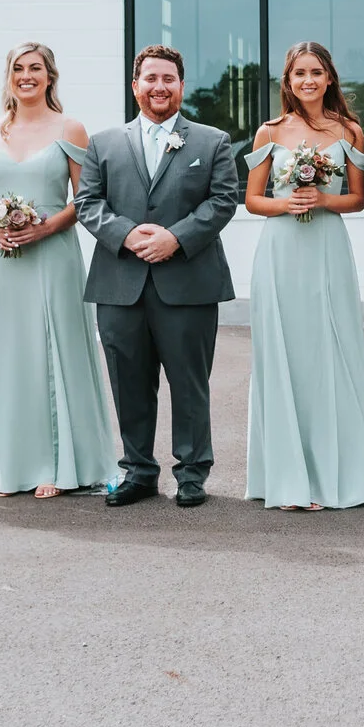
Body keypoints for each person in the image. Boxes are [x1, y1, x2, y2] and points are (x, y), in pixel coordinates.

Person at [76, 45, 242, 508]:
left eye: (168, 78)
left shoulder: (212, 141)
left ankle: (191, 472)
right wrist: (128, 235)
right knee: (128, 381)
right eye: (150, 78)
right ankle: (138, 471)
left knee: (189, 382)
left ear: (181, 86)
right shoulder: (103, 143)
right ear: (136, 86)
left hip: (187, 281)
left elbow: (223, 200)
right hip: (119, 283)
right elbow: (88, 203)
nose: (159, 87)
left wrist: (175, 237)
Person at [0, 42, 115, 498]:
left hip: (53, 253)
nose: (27, 76)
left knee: (52, 351)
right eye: (18, 69)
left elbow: (84, 199)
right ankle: (9, 464)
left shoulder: (71, 128)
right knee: (6, 357)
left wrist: (44, 229)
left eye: (35, 68)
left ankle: (54, 466)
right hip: (1, 259)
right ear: (9, 76)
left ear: (50, 77)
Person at [242, 42, 364, 512]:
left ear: (329, 79)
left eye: (316, 72)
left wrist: (323, 200)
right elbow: (253, 200)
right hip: (281, 251)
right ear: (288, 80)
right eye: (299, 72)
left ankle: (334, 475)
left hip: (326, 248)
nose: (308, 80)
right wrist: (287, 204)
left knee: (329, 352)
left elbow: (358, 199)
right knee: (284, 354)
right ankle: (286, 479)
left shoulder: (350, 131)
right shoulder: (270, 131)